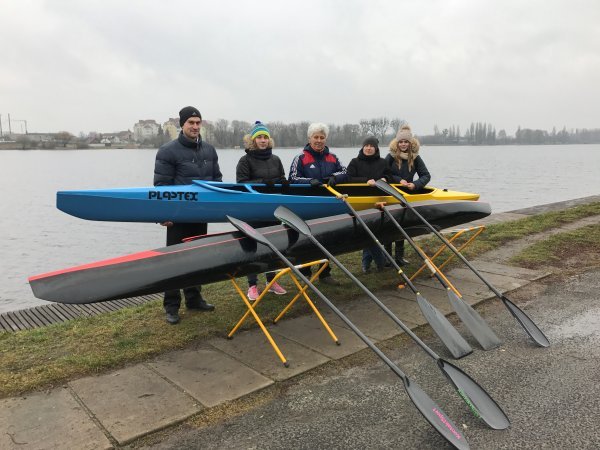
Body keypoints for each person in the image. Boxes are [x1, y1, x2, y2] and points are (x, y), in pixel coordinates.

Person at [154, 106, 223, 324]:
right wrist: (163, 214)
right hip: (177, 216)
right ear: (182, 125)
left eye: (198, 122)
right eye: (190, 123)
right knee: (174, 261)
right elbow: (161, 186)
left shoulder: (209, 150)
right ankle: (171, 306)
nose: (195, 126)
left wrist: (218, 208)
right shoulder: (167, 151)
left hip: (201, 214)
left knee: (196, 257)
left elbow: (217, 181)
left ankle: (193, 299)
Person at [289, 122, 348, 285]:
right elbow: (292, 178)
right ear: (310, 139)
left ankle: (325, 273)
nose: (319, 140)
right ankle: (305, 273)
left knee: (327, 237)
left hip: (328, 204)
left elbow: (345, 172)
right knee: (305, 239)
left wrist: (335, 177)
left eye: (322, 137)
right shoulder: (300, 158)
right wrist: (309, 181)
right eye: (316, 137)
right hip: (306, 205)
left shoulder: (333, 157)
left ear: (325, 139)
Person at [236, 121, 288, 300]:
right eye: (259, 137)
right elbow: (241, 184)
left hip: (272, 208)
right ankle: (252, 285)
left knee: (272, 245)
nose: (263, 140)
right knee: (253, 246)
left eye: (265, 137)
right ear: (253, 140)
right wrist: (263, 183)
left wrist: (284, 182)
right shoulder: (245, 160)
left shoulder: (276, 159)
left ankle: (271, 281)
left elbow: (281, 178)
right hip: (253, 209)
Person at [384, 124, 431, 266]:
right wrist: (399, 180)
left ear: (410, 143)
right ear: (397, 143)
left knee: (402, 225)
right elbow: (384, 173)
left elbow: (426, 175)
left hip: (406, 195)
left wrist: (415, 184)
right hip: (390, 193)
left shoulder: (416, 158)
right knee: (389, 226)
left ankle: (399, 257)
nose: (403, 144)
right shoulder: (390, 156)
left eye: (406, 142)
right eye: (401, 142)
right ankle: (387, 258)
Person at [346, 136, 393, 272]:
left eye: (372, 146)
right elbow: (348, 178)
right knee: (367, 232)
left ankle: (371, 263)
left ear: (376, 148)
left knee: (375, 231)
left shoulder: (383, 162)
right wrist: (365, 181)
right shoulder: (354, 162)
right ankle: (378, 262)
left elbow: (390, 176)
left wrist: (385, 178)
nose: (369, 148)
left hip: (379, 200)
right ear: (363, 147)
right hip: (360, 201)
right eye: (366, 145)